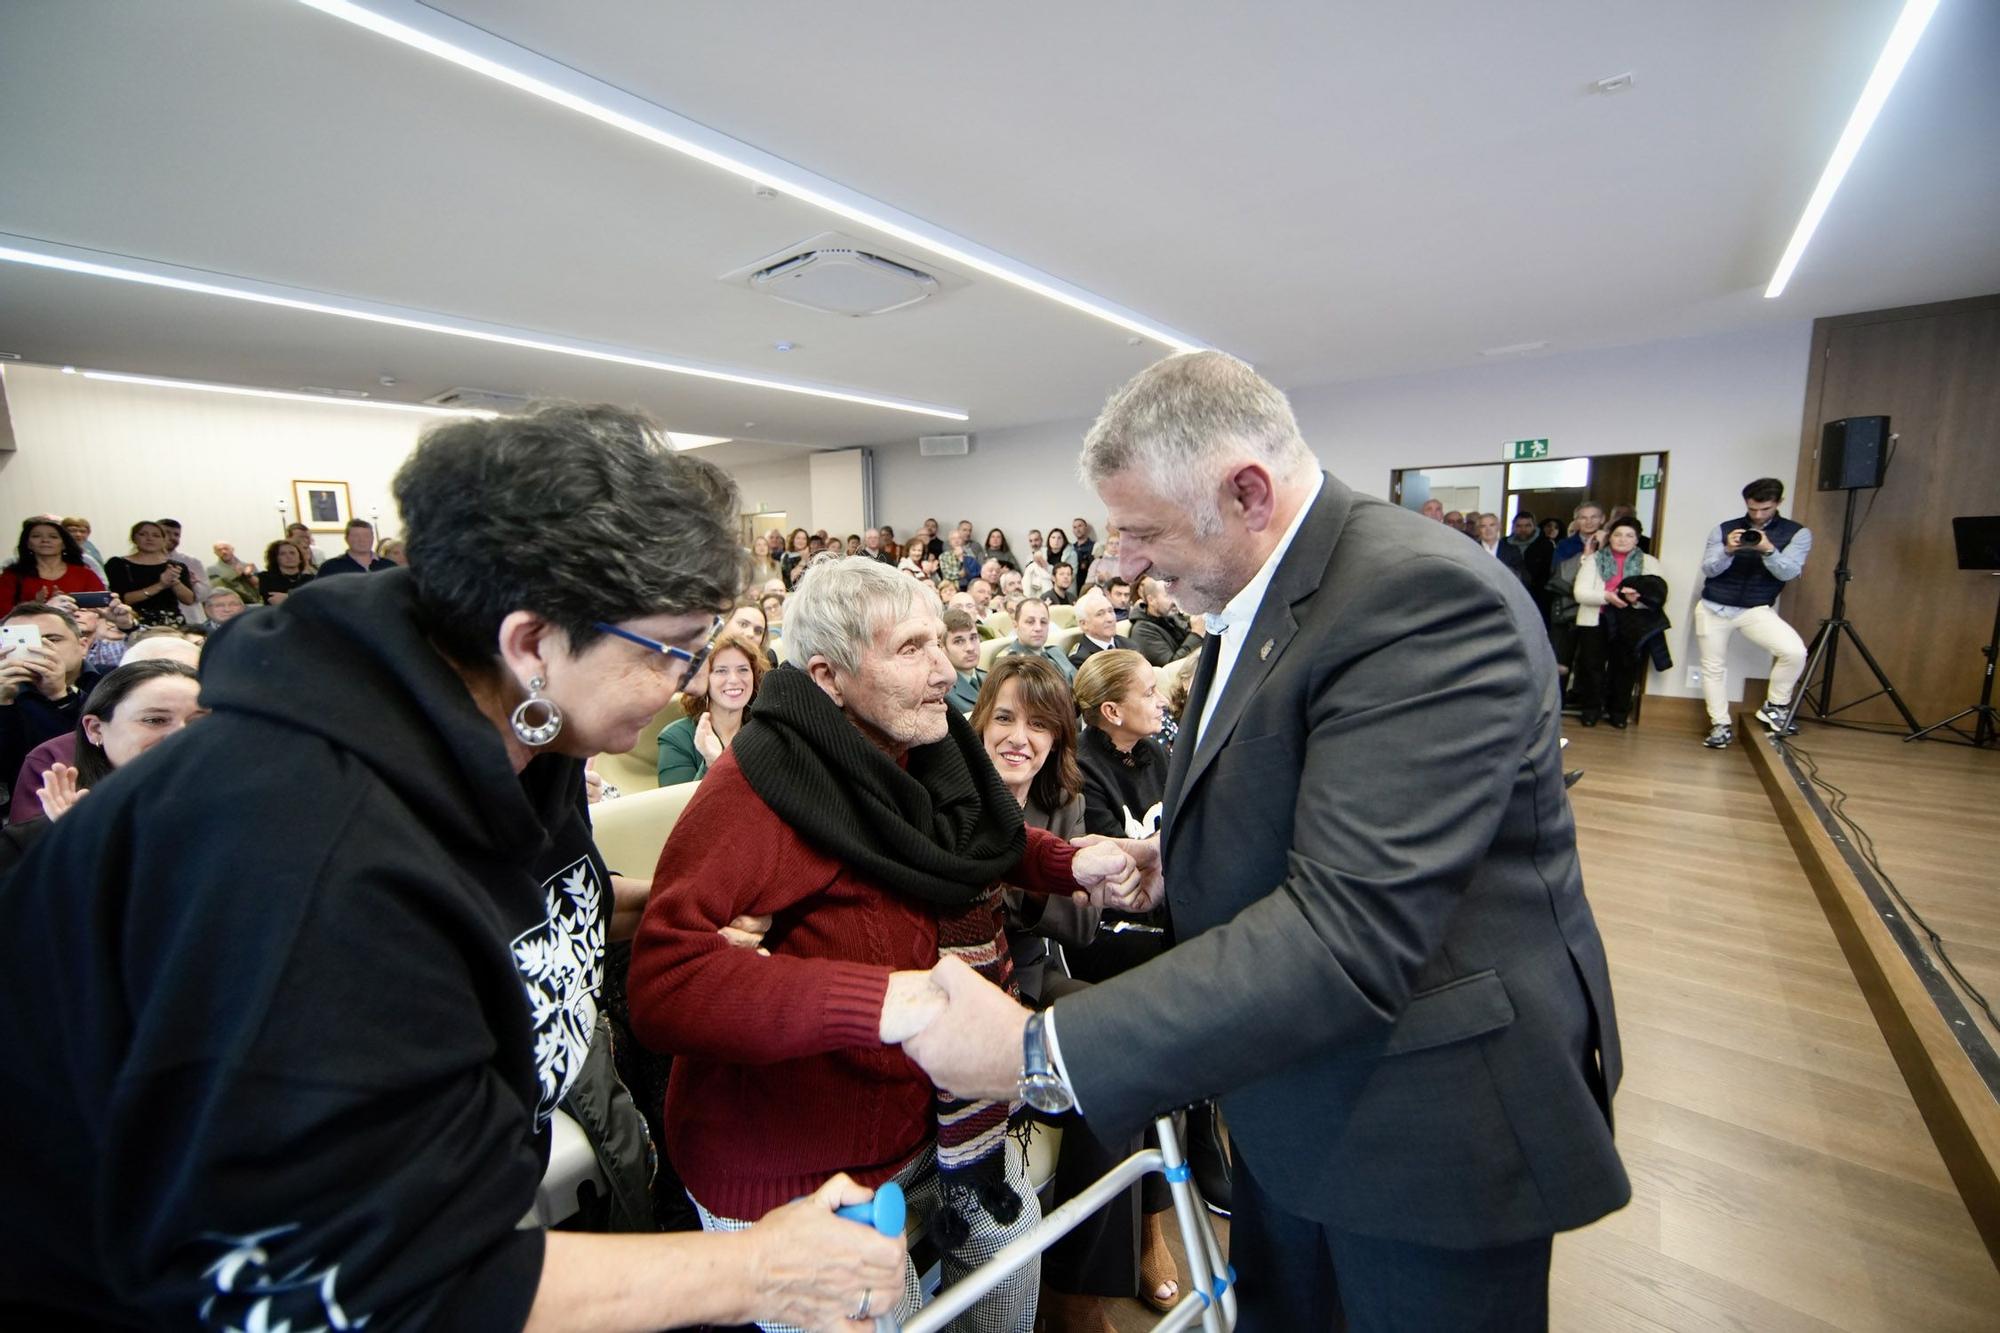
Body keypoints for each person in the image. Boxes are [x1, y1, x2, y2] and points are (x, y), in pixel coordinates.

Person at [0, 403, 907, 1331]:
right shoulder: (307, 860)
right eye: (669, 648)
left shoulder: (530, 735)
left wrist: (682, 919)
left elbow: (538, 916)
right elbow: (374, 1278)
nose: (682, 679)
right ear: (531, 643)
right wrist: (759, 1268)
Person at [900, 351, 1628, 1332]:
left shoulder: (1413, 599)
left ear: (1246, 491)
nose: (1121, 562)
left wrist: (1037, 1051)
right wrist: (1183, 864)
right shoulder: (1259, 595)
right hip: (1302, 1095)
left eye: (1143, 530)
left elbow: (1350, 928)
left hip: (1425, 1123)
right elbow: (1302, 797)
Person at [624, 556, 1148, 1333]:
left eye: (942, 640)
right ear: (829, 677)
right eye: (912, 649)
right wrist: (888, 1002)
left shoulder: (926, 751)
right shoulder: (756, 789)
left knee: (1013, 1250)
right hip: (796, 1165)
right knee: (887, 1307)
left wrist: (1073, 861)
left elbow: (971, 843)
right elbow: (664, 983)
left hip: (928, 1128)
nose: (946, 669)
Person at [10, 632, 200, 824]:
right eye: (154, 720)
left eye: (200, 721)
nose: (181, 734)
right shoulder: (55, 761)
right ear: (95, 729)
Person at [1695, 477, 1813, 749]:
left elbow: (1790, 572)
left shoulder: (1797, 533)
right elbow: (1709, 569)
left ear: (1779, 503)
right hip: (1714, 606)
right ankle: (1720, 725)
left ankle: (1775, 706)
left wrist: (1768, 549)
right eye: (1752, 510)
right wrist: (1727, 549)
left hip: (1756, 608)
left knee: (1794, 652)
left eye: (1765, 509)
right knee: (1712, 668)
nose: (1758, 516)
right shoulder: (1725, 529)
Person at [1, 601, 99, 805]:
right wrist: (3, 705)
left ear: (83, 646)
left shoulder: (112, 683)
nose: (38, 649)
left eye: (51, 639)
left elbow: (101, 750)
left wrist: (61, 697)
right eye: (22, 641)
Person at [1568, 517, 1654, 728]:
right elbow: (1580, 592)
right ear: (1609, 537)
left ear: (1637, 539)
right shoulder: (1594, 559)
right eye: (1617, 534)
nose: (1622, 539)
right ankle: (1591, 710)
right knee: (1591, 666)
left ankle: (1619, 712)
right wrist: (1605, 596)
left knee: (1625, 667)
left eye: (1629, 535)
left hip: (1630, 621)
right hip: (1597, 618)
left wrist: (1638, 598)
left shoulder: (1649, 563)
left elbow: (1658, 596)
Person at [658, 629, 766, 786]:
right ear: (703, 680)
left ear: (754, 677)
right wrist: (711, 764)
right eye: (721, 671)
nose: (734, 680)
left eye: (743, 669)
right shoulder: (675, 737)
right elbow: (677, 809)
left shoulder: (765, 732)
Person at [102, 521, 197, 628]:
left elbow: (189, 600)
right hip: (133, 621)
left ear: (163, 540)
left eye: (156, 535)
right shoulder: (118, 564)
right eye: (143, 534)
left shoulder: (176, 566)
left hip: (171, 623)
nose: (149, 538)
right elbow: (123, 599)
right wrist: (161, 585)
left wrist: (175, 582)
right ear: (133, 538)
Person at [1, 518, 107, 607]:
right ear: (28, 544)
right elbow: (3, 615)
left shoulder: (85, 574)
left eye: (53, 537)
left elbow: (101, 608)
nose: (45, 540)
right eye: (36, 536)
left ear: (64, 544)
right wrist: (36, 605)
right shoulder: (12, 576)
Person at [1125, 576, 1199, 666]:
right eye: (1168, 596)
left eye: (1174, 595)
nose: (1174, 601)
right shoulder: (1142, 631)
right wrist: (1196, 634)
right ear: (1151, 600)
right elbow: (1171, 666)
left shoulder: (1170, 617)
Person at [1003, 598, 1076, 683]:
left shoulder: (1055, 652)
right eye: (1030, 622)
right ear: (1015, 625)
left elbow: (1080, 683)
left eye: (1043, 622)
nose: (1038, 628)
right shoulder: (1009, 663)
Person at [1508, 511, 1556, 621]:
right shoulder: (1505, 544)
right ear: (1513, 526)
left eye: (1527, 525)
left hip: (1537, 596)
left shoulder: (1545, 545)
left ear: (1534, 526)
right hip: (1511, 594)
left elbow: (1549, 571)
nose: (1523, 529)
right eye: (1519, 526)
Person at [943, 607, 987, 713]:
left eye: (973, 638)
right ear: (942, 648)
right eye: (959, 641)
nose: (970, 648)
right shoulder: (944, 694)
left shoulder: (991, 678)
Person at [316, 518, 391, 576]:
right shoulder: (330, 567)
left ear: (372, 538)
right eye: (355, 536)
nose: (362, 540)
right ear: (346, 539)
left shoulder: (388, 566)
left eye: (366, 536)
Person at [1067, 588, 1119, 671]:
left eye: (1111, 611)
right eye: (1100, 614)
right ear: (1084, 624)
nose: (1110, 619)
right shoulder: (1081, 659)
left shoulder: (1129, 645)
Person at [259, 537, 316, 603]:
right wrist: (302, 597)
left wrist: (288, 596)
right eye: (282, 554)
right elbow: (274, 601)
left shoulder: (311, 579)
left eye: (292, 553)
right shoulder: (266, 578)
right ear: (275, 558)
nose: (288, 556)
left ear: (300, 558)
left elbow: (315, 601)